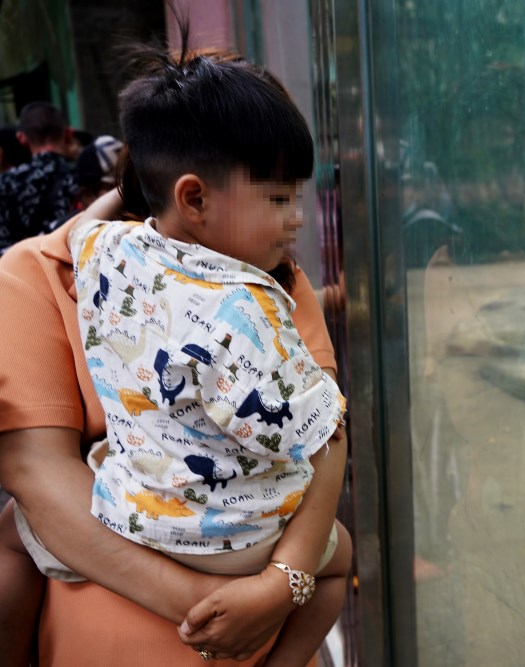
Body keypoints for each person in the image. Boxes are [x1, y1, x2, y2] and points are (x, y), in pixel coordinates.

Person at [0, 47, 352, 667]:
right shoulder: (249, 298)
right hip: (228, 573)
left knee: (10, 534)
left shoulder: (105, 255)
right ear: (195, 193)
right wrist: (244, 596)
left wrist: (277, 587)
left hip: (153, 528)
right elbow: (322, 434)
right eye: (278, 197)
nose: (294, 218)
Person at [0, 102, 78, 254]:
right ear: (68, 133)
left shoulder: (6, 183)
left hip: (25, 272)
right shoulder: (84, 177)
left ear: (22, 138)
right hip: (78, 270)